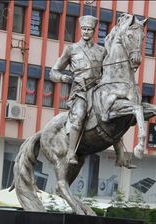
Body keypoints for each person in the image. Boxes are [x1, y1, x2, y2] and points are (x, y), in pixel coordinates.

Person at [50, 15, 106, 165]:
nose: (86, 32)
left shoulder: (102, 51)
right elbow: (53, 72)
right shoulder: (71, 49)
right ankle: (70, 153)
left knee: (112, 112)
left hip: (98, 91)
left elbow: (106, 72)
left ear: (94, 31)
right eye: (84, 29)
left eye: (89, 29)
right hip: (80, 91)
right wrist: (64, 78)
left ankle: (120, 154)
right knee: (79, 115)